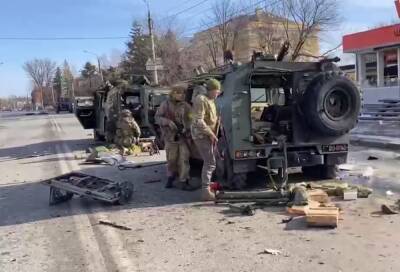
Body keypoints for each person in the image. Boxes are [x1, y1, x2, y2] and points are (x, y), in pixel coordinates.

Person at [155, 84, 193, 190]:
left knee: (184, 159)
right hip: (170, 137)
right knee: (171, 159)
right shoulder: (165, 105)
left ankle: (184, 180)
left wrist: (187, 127)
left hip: (183, 137)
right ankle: (171, 177)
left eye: (183, 93)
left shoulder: (186, 106)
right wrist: (167, 122)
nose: (182, 95)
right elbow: (157, 118)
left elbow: (191, 118)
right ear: (173, 93)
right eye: (179, 93)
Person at [191, 78, 221, 201]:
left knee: (211, 161)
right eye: (216, 91)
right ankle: (205, 191)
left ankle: (208, 187)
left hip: (207, 135)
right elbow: (198, 120)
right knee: (210, 162)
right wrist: (210, 133)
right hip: (201, 135)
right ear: (210, 89)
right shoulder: (201, 99)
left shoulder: (210, 100)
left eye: (218, 91)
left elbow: (211, 118)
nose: (217, 93)